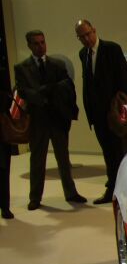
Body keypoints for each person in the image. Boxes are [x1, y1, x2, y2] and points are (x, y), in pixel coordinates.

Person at [14, 30, 85, 210]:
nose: (41, 46)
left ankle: (71, 192)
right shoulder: (22, 68)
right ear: (29, 46)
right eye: (36, 43)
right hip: (38, 121)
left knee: (63, 157)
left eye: (42, 42)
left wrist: (49, 90)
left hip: (57, 118)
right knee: (38, 159)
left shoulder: (57, 64)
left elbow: (67, 84)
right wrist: (42, 95)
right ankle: (35, 197)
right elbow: (23, 91)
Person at [74, 19, 127, 204]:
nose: (86, 38)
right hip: (97, 115)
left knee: (119, 151)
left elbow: (124, 80)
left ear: (94, 30)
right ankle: (112, 189)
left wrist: (125, 110)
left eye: (88, 33)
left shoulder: (112, 49)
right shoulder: (83, 54)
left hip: (114, 114)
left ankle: (123, 190)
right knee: (108, 153)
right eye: (82, 36)